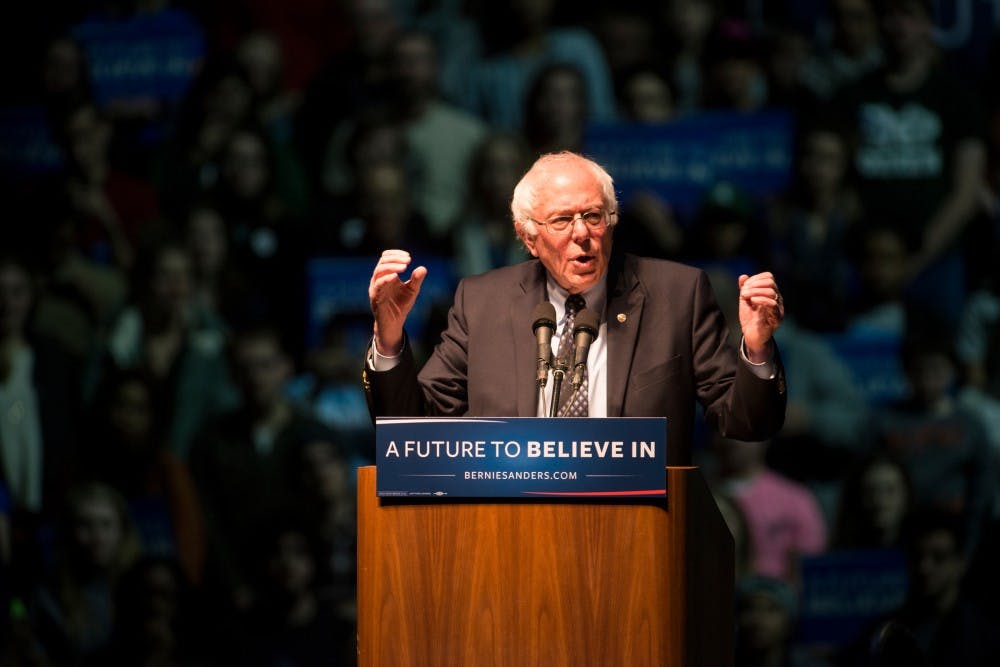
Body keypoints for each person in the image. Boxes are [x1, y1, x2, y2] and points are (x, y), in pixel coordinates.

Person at [364, 151, 787, 465]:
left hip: (639, 537)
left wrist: (757, 349)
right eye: (563, 221)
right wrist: (389, 337)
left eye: (593, 216)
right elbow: (411, 429)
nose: (582, 234)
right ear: (528, 237)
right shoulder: (482, 304)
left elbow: (747, 423)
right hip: (509, 534)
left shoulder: (677, 295)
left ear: (613, 220)